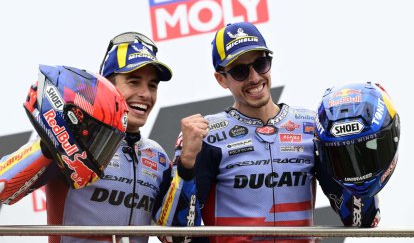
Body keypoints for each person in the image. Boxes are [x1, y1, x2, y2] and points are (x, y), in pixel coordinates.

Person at [176, 22, 399, 242]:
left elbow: (361, 222)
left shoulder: (311, 126)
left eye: (261, 64)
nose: (254, 78)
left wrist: (361, 165)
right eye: (240, 71)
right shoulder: (207, 135)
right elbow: (178, 236)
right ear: (221, 79)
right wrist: (186, 164)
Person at [0, 32, 201, 243]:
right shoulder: (74, 138)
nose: (146, 94)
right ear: (108, 85)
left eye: (152, 85)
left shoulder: (157, 156)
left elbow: (177, 238)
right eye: (134, 82)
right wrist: (49, 146)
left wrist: (186, 166)